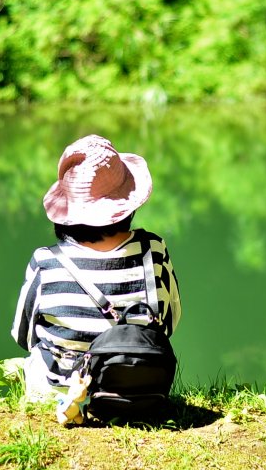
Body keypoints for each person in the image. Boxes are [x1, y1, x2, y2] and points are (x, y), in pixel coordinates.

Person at [11, 134, 181, 401]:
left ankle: (74, 402)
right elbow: (168, 324)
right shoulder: (153, 251)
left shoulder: (45, 262)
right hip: (136, 386)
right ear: (127, 204)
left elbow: (23, 336)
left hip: (58, 388)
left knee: (29, 361)